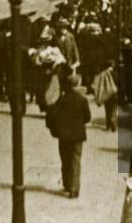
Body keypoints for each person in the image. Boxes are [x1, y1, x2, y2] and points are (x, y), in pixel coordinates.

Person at [45, 70, 92, 198]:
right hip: (77, 136)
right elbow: (88, 117)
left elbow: (54, 114)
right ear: (77, 84)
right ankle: (74, 189)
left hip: (64, 136)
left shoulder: (62, 99)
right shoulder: (82, 100)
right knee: (75, 161)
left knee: (65, 160)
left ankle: (66, 184)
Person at [91, 60, 118, 131]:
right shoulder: (115, 74)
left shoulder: (102, 74)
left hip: (106, 95)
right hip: (114, 94)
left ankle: (108, 125)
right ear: (112, 65)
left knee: (107, 110)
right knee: (114, 109)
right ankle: (113, 119)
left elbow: (97, 84)